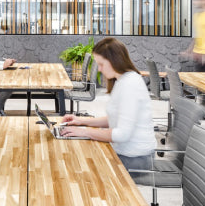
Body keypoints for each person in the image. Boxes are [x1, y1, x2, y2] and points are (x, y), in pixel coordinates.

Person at [60, 37, 155, 174]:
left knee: (78, 166)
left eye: (101, 64)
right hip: (127, 154)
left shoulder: (130, 85)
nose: (99, 69)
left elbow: (121, 134)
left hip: (136, 160)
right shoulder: (123, 80)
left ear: (114, 61)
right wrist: (81, 121)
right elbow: (113, 119)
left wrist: (85, 132)